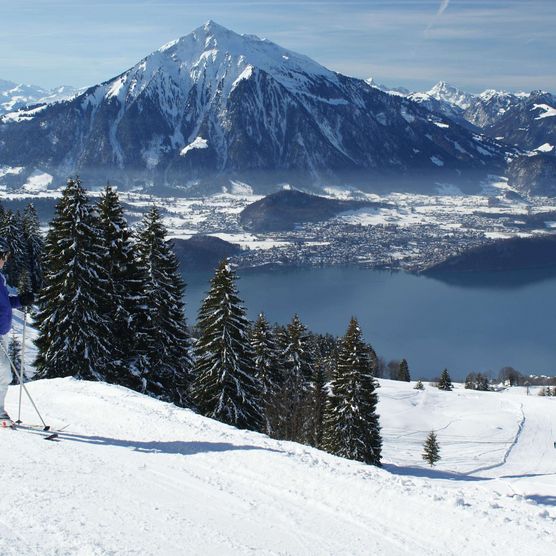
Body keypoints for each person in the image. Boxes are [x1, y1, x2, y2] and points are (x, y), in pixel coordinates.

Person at [0, 238, 34, 424]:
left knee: (3, 373)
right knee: (3, 372)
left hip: (2, 333)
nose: (5, 259)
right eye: (4, 256)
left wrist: (20, 300)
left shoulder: (0, 278)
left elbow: (4, 303)